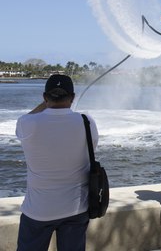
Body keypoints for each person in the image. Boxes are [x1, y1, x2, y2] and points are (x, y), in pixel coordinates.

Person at [15, 74, 99, 251]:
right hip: (76, 208)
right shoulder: (87, 122)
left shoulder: (27, 123)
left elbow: (29, 118)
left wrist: (46, 104)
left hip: (38, 210)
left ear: (45, 97)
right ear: (73, 97)